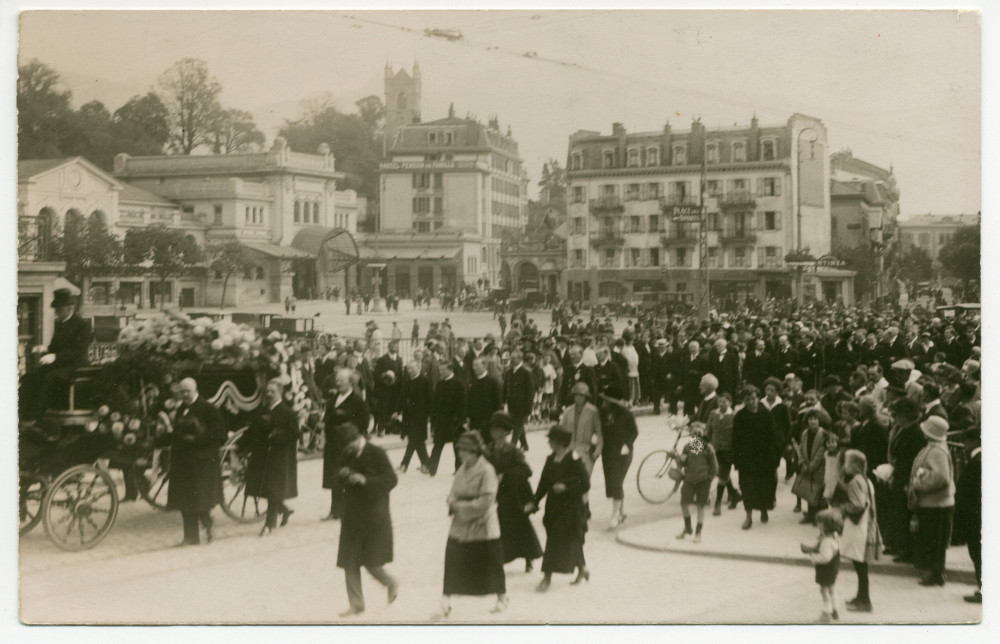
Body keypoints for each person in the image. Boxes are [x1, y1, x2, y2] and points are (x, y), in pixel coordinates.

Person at [440, 431, 509, 617]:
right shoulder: (462, 469)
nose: (462, 454)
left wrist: (459, 505)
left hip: (482, 524)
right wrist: (451, 500)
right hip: (461, 523)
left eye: (466, 450)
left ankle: (502, 597)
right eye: (460, 450)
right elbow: (454, 491)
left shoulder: (487, 470)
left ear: (476, 451)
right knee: (453, 557)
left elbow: (486, 501)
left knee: (492, 562)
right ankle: (446, 597)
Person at [335, 422, 400, 617]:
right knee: (350, 561)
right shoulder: (347, 453)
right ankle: (356, 605)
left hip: (374, 515)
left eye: (347, 447)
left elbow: (392, 480)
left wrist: (366, 481)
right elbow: (337, 474)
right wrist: (342, 475)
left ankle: (391, 582)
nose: (345, 451)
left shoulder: (377, 453)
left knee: (371, 561)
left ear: (355, 440)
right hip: (352, 514)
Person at [527, 426, 591, 592]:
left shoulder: (574, 458)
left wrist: (566, 487)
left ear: (560, 442)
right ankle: (582, 568)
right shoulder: (550, 459)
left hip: (571, 508)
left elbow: (585, 483)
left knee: (555, 542)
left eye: (552, 440)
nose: (549, 442)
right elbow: (543, 483)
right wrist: (534, 502)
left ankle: (546, 578)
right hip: (554, 508)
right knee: (569, 539)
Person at [19, 289, 94, 422]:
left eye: (59, 308)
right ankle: (22, 416)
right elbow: (55, 347)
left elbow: (78, 351)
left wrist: (55, 357)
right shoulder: (60, 324)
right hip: (60, 364)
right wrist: (44, 349)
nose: (56, 311)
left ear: (69, 308)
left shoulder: (82, 325)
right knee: (29, 377)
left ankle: (38, 419)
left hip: (75, 366)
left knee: (50, 377)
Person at [168, 377, 225, 546]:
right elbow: (178, 434)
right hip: (184, 462)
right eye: (182, 391)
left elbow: (219, 434)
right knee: (185, 501)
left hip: (202, 462)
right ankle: (190, 537)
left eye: (188, 391)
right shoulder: (181, 410)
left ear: (195, 390)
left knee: (199, 500)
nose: (185, 394)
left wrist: (196, 438)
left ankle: (208, 523)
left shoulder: (208, 408)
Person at [486, 412, 542, 572]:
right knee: (496, 527)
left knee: (520, 527)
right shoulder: (487, 449)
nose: (493, 431)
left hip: (512, 496)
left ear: (505, 432)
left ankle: (528, 557)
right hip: (495, 494)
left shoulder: (513, 450)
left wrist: (506, 475)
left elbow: (527, 471)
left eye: (497, 429)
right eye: (492, 428)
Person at [242, 378, 299, 536]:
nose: (269, 394)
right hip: (262, 456)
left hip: (278, 456)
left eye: (272, 391)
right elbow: (251, 431)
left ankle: (269, 525)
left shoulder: (288, 413)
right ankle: (285, 510)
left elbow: (295, 434)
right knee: (267, 488)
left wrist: (278, 435)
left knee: (273, 489)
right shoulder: (262, 411)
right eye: (267, 391)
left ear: (280, 392)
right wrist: (240, 446)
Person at [908, 416, 955, 587]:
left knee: (934, 540)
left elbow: (942, 477)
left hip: (936, 503)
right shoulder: (936, 448)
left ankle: (935, 573)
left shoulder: (936, 451)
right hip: (935, 502)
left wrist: (918, 483)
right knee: (934, 540)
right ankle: (935, 572)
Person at [322, 368, 371, 521]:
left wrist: (350, 431)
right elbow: (327, 419)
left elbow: (364, 421)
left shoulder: (356, 401)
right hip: (332, 444)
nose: (338, 383)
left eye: (342, 380)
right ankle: (334, 510)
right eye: (337, 380)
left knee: (347, 477)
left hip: (346, 444)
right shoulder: (333, 399)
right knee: (334, 477)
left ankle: (350, 510)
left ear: (351, 382)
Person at [838, 449, 881, 613]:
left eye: (847, 463)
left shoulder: (855, 481)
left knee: (860, 564)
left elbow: (857, 505)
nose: (844, 466)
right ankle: (861, 596)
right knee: (860, 565)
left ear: (853, 465)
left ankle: (865, 601)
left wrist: (843, 508)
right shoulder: (866, 480)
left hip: (858, 526)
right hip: (866, 524)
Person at [732, 385, 779, 530]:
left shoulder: (766, 414)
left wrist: (774, 459)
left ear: (757, 398)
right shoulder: (740, 416)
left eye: (753, 399)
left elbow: (773, 437)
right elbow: (735, 439)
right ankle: (748, 517)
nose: (751, 402)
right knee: (747, 487)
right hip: (747, 459)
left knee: (764, 486)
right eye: (747, 400)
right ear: (744, 401)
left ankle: (764, 510)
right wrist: (737, 460)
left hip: (764, 458)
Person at [673, 422, 718, 543]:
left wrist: (708, 479)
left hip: (703, 481)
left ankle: (698, 532)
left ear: (702, 434)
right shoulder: (687, 447)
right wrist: (677, 457)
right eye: (694, 434)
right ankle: (688, 528)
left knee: (700, 507)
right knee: (684, 504)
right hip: (689, 480)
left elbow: (714, 467)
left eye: (699, 433)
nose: (696, 436)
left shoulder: (708, 448)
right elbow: (681, 464)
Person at [598, 394, 638, 529]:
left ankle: (701, 493)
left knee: (616, 481)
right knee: (614, 482)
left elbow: (634, 432)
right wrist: (690, 421)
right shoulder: (603, 413)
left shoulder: (625, 414)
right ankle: (620, 513)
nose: (604, 403)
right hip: (610, 452)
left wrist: (695, 425)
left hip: (700, 438)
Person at [801, 509, 843, 623]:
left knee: (824, 591)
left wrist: (813, 556)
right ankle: (835, 610)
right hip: (833, 568)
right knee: (832, 589)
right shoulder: (834, 536)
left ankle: (826, 613)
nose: (818, 524)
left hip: (826, 569)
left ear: (827, 525)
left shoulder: (826, 541)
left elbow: (825, 557)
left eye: (820, 522)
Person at [954, 437, 981, 603]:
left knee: (978, 553)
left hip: (974, 517)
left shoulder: (977, 463)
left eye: (967, 443)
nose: (964, 446)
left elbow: (969, 492)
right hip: (977, 516)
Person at [428, 360, 466, 476]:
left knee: (457, 447)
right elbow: (435, 403)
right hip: (441, 421)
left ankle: (459, 470)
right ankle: (431, 469)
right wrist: (433, 422)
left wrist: (459, 420)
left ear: (450, 369)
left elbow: (463, 404)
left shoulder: (459, 383)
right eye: (440, 370)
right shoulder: (440, 384)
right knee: (437, 446)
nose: (440, 372)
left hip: (454, 422)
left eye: (443, 370)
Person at [559, 382, 603, 478]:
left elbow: (599, 433)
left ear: (586, 397)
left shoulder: (593, 411)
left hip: (586, 451)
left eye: (581, 396)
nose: (578, 398)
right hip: (569, 450)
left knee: (583, 482)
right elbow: (561, 431)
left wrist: (597, 450)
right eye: (576, 395)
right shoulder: (568, 411)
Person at [707, 392, 741, 514]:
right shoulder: (713, 414)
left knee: (721, 477)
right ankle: (735, 494)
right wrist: (698, 449)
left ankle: (717, 505)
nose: (722, 404)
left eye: (725, 402)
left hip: (728, 452)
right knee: (721, 474)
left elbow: (738, 436)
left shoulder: (734, 416)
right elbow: (707, 433)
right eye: (720, 401)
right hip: (714, 450)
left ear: (730, 403)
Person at [397, 361, 431, 473]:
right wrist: (398, 411)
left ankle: (404, 465)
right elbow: (402, 397)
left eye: (412, 368)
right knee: (416, 440)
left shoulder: (425, 381)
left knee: (414, 440)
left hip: (420, 416)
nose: (409, 371)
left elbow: (430, 399)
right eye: (408, 369)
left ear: (418, 368)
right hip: (409, 416)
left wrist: (429, 415)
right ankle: (426, 464)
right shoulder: (407, 381)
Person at [796, 410, 829, 523]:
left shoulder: (823, 434)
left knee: (819, 493)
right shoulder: (805, 433)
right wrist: (803, 463)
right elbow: (801, 449)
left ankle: (819, 518)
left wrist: (811, 466)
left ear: (819, 421)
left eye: (815, 419)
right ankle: (811, 515)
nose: (813, 422)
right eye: (810, 419)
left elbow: (821, 452)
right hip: (806, 466)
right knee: (809, 492)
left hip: (818, 468)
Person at [503, 350, 535, 451]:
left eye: (513, 358)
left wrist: (528, 407)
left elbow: (530, 391)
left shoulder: (526, 372)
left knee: (517, 426)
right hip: (512, 404)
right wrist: (503, 400)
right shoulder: (509, 372)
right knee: (517, 424)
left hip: (522, 405)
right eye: (511, 358)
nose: (511, 360)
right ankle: (525, 445)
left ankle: (512, 447)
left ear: (520, 359)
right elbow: (505, 387)